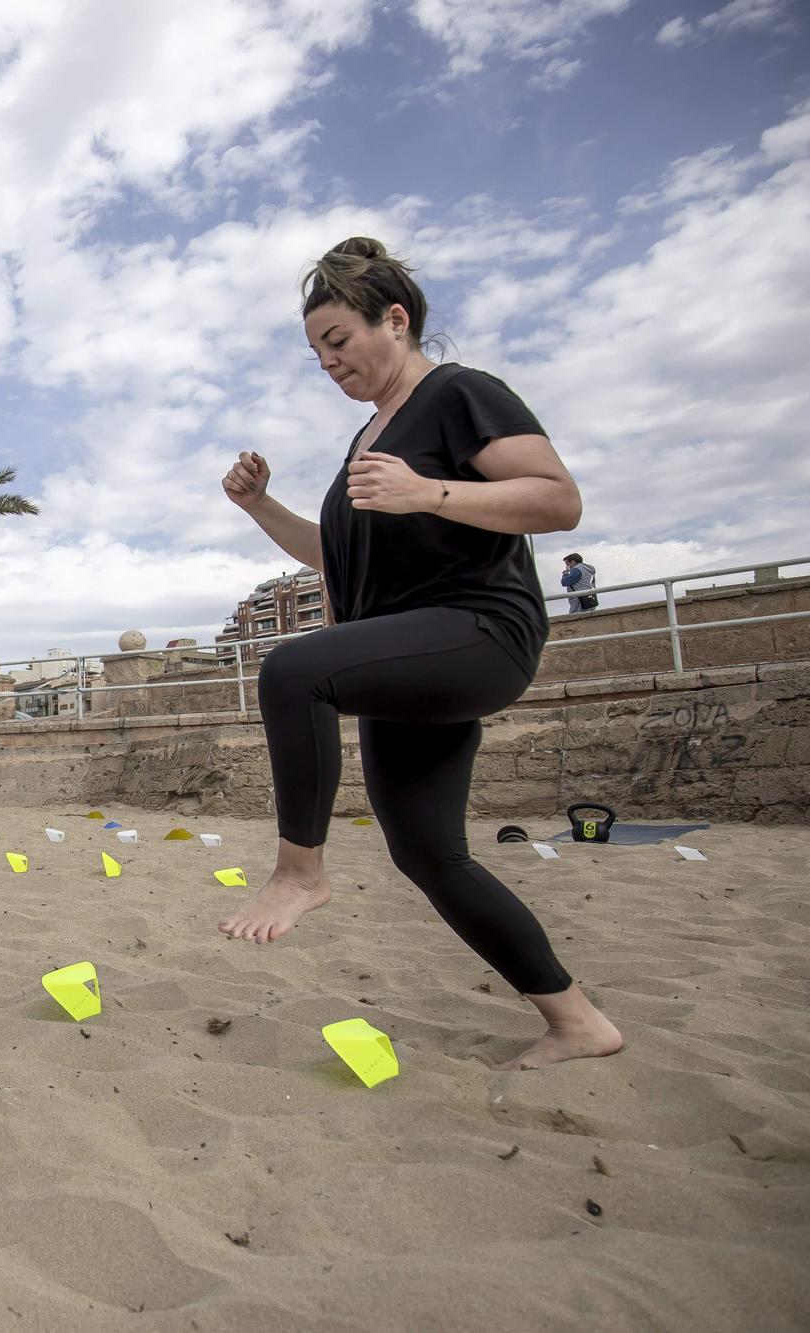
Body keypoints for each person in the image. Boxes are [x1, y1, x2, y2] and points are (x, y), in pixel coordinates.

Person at [216, 237, 623, 1070]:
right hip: (408, 653)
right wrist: (262, 506)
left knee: (295, 668)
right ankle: (577, 1022)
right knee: (428, 853)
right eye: (315, 352)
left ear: (394, 320)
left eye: (338, 340)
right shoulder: (370, 436)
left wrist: (429, 490)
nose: (328, 362)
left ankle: (299, 871)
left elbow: (559, 499)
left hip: (479, 627)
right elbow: (337, 555)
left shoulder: (458, 393)